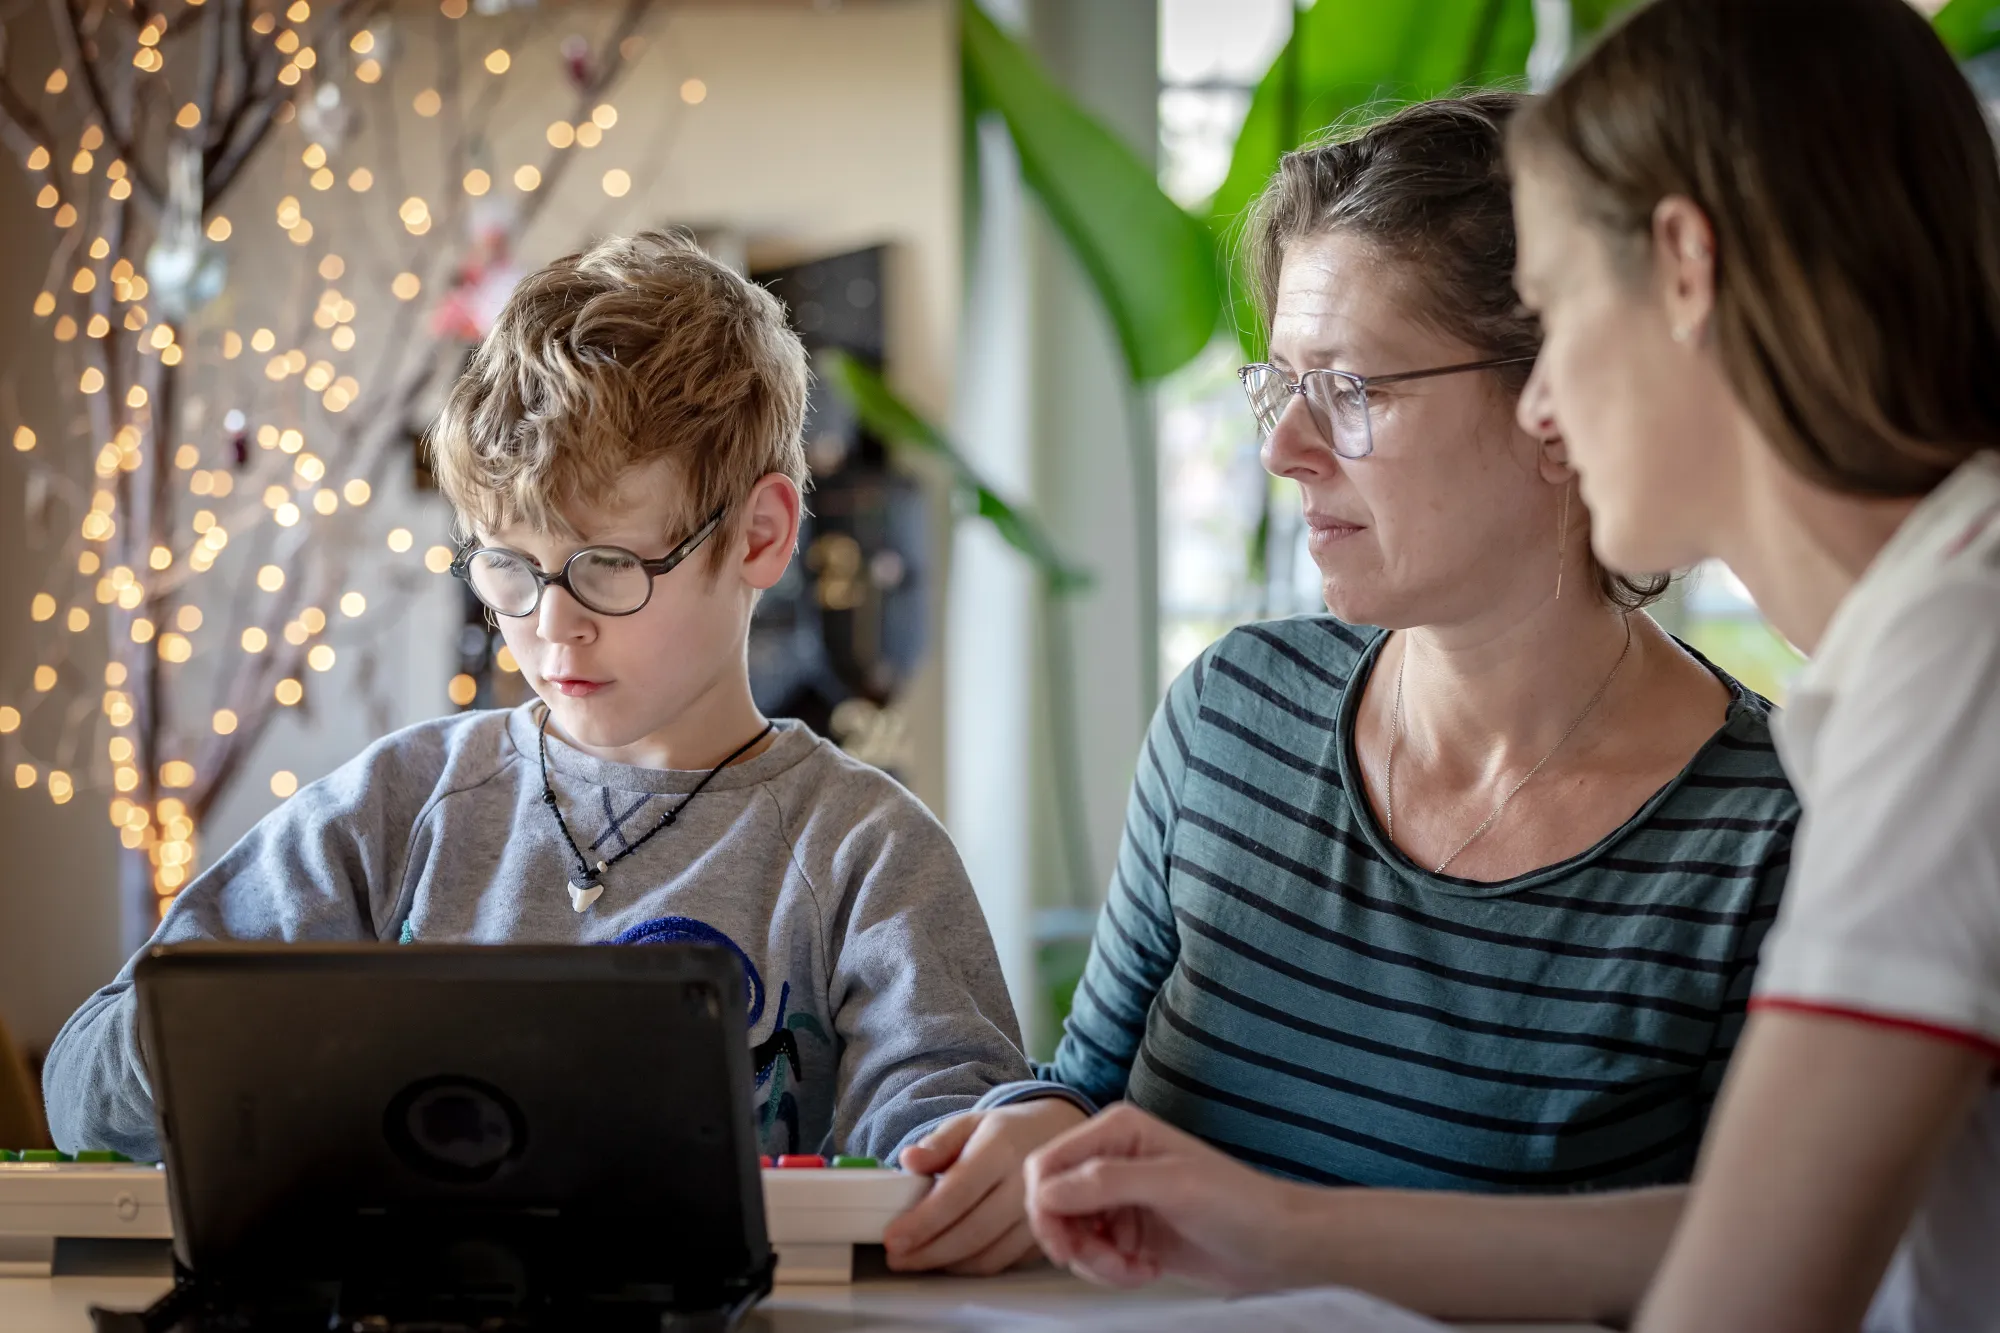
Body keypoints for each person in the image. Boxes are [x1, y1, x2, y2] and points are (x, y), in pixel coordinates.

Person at [41, 233, 1089, 1266]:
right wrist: (235, 1033)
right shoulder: (395, 811)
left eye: (605, 565)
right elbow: (84, 1091)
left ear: (761, 537)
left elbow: (942, 1142)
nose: (551, 625)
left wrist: (1002, 1135)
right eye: (506, 565)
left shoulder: (861, 852)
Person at [998, 94, 1799, 1322]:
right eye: (1283, 383)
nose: (1284, 448)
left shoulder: (1761, 835)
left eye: (1353, 389)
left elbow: (1759, 1262)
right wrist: (1018, 1146)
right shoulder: (1231, 715)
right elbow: (1082, 1084)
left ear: (1556, 408)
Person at [1506, 1, 2000, 1330]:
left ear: (1682, 263)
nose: (1537, 401)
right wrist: (1269, 1226)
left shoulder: (1963, 652)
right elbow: (1782, 1214)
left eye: (1549, 310)